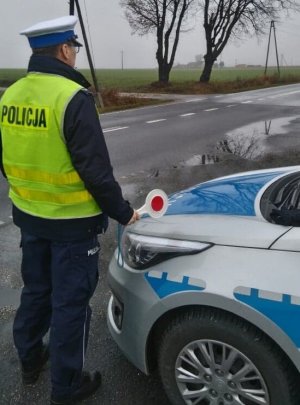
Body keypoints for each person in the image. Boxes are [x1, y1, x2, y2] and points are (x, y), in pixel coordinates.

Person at [0, 15, 139, 405]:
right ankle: (66, 386)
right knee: (70, 305)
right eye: (74, 48)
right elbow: (96, 170)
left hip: (30, 217)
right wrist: (124, 212)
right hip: (72, 226)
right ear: (64, 50)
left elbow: (6, 159)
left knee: (37, 291)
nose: (75, 54)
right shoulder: (71, 98)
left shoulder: (9, 96)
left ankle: (30, 359)